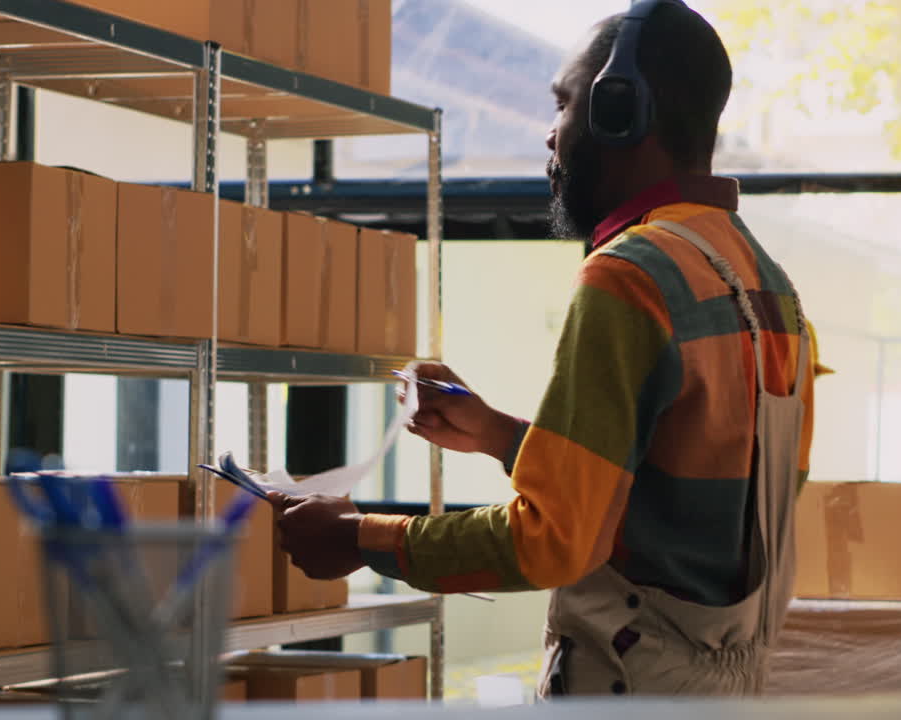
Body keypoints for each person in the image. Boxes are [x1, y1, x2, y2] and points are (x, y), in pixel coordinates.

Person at [271, 0, 816, 698]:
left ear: (620, 111)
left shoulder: (631, 275)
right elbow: (690, 511)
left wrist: (359, 539)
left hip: (630, 689)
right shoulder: (766, 284)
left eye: (563, 106)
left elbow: (554, 541)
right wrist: (500, 435)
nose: (552, 137)